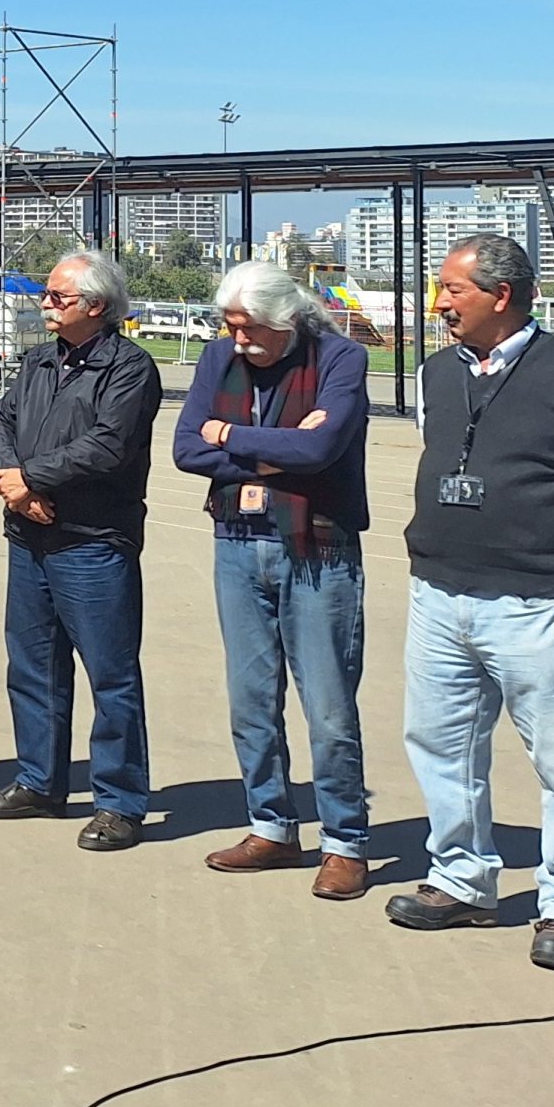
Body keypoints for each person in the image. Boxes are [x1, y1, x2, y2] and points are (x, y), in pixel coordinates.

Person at [388, 234, 554, 974]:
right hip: (441, 592)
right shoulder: (438, 373)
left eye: (451, 291)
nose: (439, 304)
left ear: (500, 296)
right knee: (440, 744)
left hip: (537, 603)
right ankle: (461, 879)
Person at [172, 261, 374, 899]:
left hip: (317, 546)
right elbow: (184, 448)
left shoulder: (341, 359)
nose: (238, 341)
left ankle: (344, 842)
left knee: (329, 705)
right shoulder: (216, 359)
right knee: (250, 699)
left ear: (287, 322)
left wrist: (228, 435)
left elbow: (322, 452)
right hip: (236, 540)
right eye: (230, 327)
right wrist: (282, 443)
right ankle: (271, 826)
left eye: (250, 329)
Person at [0, 248, 161, 850]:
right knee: (32, 667)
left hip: (92, 542)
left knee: (110, 676)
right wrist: (14, 484)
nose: (45, 304)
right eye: (47, 295)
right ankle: (39, 781)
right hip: (28, 534)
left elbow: (109, 445)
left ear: (96, 306)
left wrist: (35, 479)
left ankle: (119, 802)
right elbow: (1, 424)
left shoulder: (129, 368)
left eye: (58, 297)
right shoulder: (36, 361)